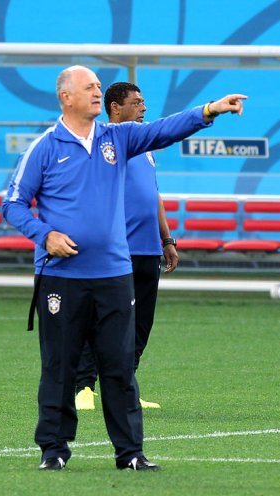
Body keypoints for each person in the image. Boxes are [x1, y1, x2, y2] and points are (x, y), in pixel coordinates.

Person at [2, 65, 246, 472]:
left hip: (114, 275)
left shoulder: (118, 137)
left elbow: (165, 130)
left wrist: (210, 110)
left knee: (119, 366)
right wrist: (44, 236)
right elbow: (12, 203)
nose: (98, 91)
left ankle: (130, 452)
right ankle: (54, 448)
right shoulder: (45, 147)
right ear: (66, 97)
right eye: (90, 87)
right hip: (62, 277)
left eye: (99, 86)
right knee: (59, 366)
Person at [74, 82, 176, 412]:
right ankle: (85, 386)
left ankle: (125, 387)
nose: (144, 108)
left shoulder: (145, 147)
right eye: (136, 102)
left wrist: (167, 238)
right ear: (115, 108)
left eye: (144, 102)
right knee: (101, 319)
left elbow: (153, 193)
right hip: (117, 250)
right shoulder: (104, 144)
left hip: (148, 249)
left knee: (140, 324)